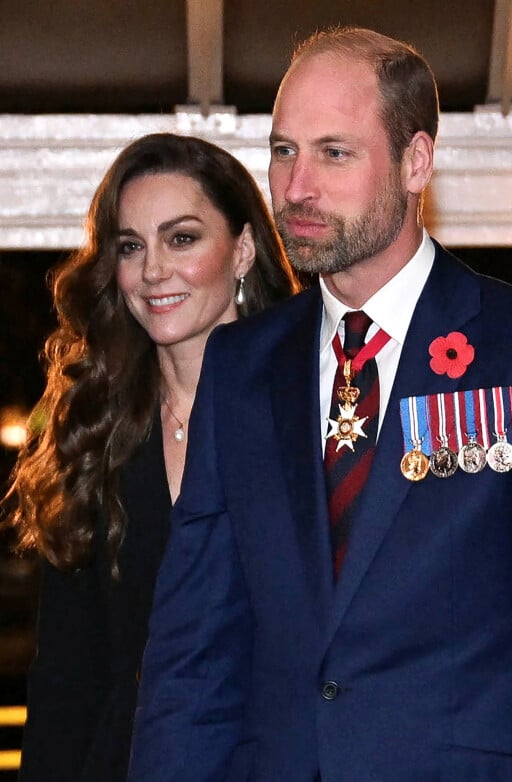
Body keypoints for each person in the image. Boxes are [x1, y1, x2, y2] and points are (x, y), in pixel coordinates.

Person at [128, 28, 512, 782]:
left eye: (334, 153)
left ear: (416, 162)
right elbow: (192, 650)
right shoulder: (241, 367)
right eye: (282, 151)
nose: (296, 187)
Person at [2, 131, 299, 782]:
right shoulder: (95, 437)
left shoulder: (313, 423)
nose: (153, 269)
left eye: (182, 238)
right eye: (130, 246)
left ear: (243, 249)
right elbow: (67, 680)